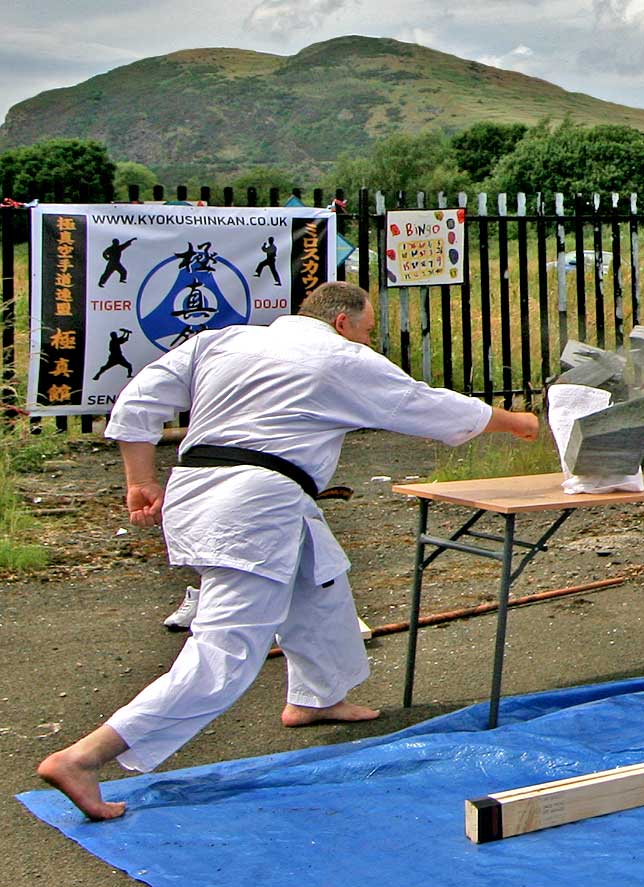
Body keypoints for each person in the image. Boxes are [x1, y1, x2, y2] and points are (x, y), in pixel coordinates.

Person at [38, 281, 539, 820]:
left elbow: (139, 399)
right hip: (252, 505)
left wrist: (139, 478)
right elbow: (425, 405)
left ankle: (315, 698)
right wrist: (517, 422)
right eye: (369, 331)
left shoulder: (223, 341)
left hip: (206, 488)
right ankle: (84, 758)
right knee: (225, 653)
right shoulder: (342, 357)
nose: (370, 342)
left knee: (319, 577)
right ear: (344, 323)